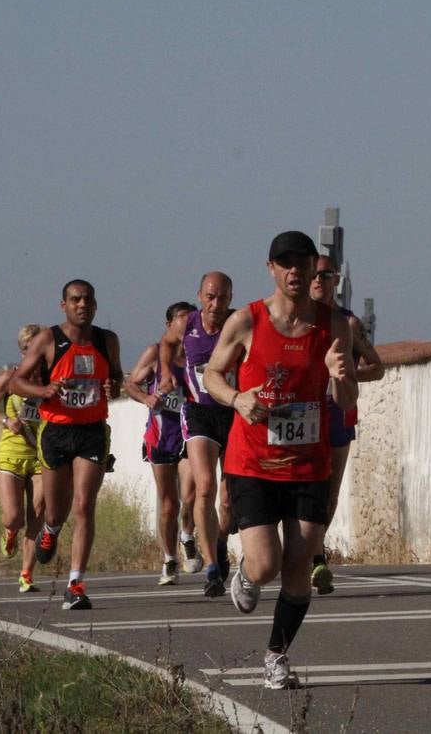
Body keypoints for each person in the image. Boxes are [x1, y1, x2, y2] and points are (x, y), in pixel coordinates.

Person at [203, 231, 357, 690]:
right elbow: (211, 373)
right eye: (284, 263)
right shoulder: (247, 321)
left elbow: (347, 399)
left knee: (299, 565)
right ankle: (247, 576)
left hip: (309, 464)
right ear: (271, 268)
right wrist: (236, 398)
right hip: (252, 461)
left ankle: (276, 656)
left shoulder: (335, 325)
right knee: (267, 563)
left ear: (315, 270)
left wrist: (339, 376)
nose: (294, 271)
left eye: (302, 263)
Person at [11, 280, 123, 610]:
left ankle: (75, 584)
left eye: (88, 299)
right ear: (64, 305)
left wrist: (112, 386)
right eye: (75, 300)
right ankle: (51, 529)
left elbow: (116, 376)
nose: (82, 305)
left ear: (95, 304)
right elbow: (17, 381)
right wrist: (44, 391)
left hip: (92, 430)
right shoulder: (48, 339)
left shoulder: (107, 340)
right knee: (56, 508)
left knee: (84, 504)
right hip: (56, 432)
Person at [307, 254, 385, 595]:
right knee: (304, 482)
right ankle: (307, 552)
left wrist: (348, 376)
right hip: (304, 413)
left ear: (336, 280)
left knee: (330, 488)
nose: (319, 281)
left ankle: (316, 553)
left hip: (338, 411)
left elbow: (377, 366)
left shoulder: (349, 323)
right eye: (315, 274)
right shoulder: (296, 320)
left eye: (326, 275)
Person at [159, 272, 236, 597]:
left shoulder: (239, 323)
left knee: (229, 499)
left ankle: (219, 542)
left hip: (234, 412)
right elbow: (167, 343)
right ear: (200, 295)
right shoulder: (187, 323)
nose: (216, 303)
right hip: (199, 412)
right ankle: (212, 568)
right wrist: (166, 371)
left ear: (231, 298)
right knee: (203, 487)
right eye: (210, 296)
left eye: (222, 297)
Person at [124, 301, 198, 586]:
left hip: (189, 433)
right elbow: (131, 383)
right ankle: (169, 559)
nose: (186, 326)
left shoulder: (197, 353)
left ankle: (188, 536)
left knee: (191, 493)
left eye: (191, 321)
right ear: (169, 325)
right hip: (161, 434)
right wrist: (147, 398)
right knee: (169, 504)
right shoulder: (154, 353)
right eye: (181, 321)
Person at [0, 324, 47, 594]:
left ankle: (26, 574)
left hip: (41, 453)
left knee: (39, 512)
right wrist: (6, 420)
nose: (36, 354)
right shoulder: (10, 378)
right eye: (31, 348)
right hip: (12, 452)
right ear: (23, 350)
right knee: (14, 516)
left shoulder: (52, 380)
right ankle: (10, 531)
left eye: (41, 348)